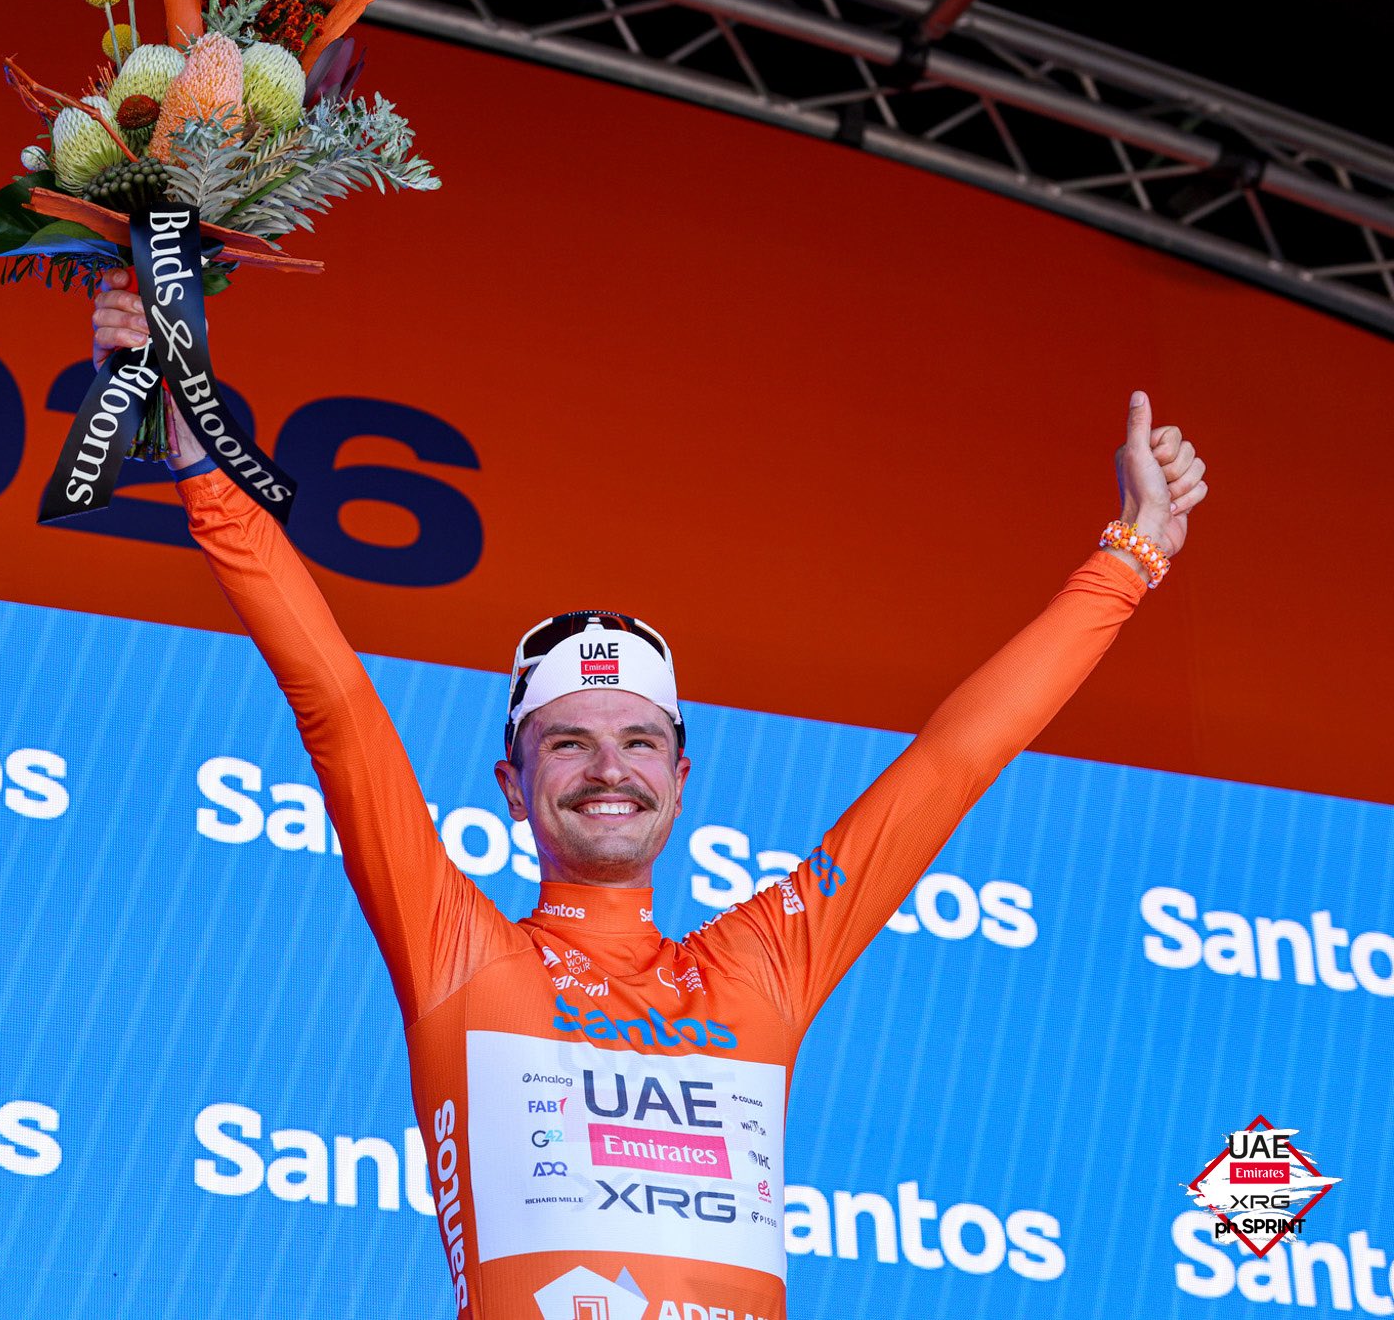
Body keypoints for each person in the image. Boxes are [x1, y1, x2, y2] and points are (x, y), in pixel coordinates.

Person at [89, 275, 1209, 1320]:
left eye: (636, 742)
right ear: (512, 787)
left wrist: (1133, 553)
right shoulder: (460, 954)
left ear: (680, 779)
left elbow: (952, 762)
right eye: (565, 744)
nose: (607, 768)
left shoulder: (760, 962)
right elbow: (330, 694)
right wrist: (184, 412)